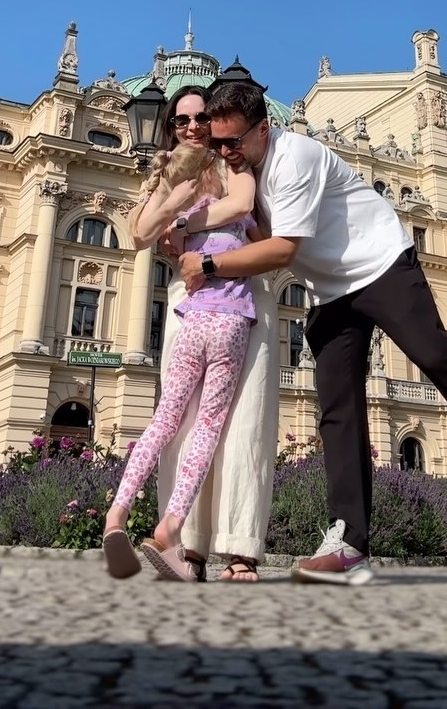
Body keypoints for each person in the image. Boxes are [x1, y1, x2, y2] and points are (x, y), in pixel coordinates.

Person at [180, 82, 447, 585]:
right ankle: (349, 541)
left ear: (265, 128)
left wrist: (210, 264)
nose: (224, 152)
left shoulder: (294, 157)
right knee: (337, 409)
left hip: (382, 266)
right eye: (217, 143)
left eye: (233, 142)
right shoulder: (240, 169)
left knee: (437, 359)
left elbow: (281, 250)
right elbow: (260, 235)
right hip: (329, 291)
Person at [127, 86, 278, 583]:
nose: (192, 127)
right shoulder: (169, 170)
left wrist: (184, 222)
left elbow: (242, 206)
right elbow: (139, 232)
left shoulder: (232, 162)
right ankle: (186, 547)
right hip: (189, 298)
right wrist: (170, 204)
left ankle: (240, 549)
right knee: (182, 424)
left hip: (244, 296)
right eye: (181, 119)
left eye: (201, 118)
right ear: (170, 126)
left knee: (245, 424)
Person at [103, 141, 260, 581]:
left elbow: (161, 241)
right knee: (207, 427)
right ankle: (170, 526)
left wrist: (175, 210)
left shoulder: (180, 226)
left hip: (191, 324)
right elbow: (263, 241)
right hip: (229, 325)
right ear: (213, 174)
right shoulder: (235, 215)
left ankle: (117, 513)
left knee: (164, 422)